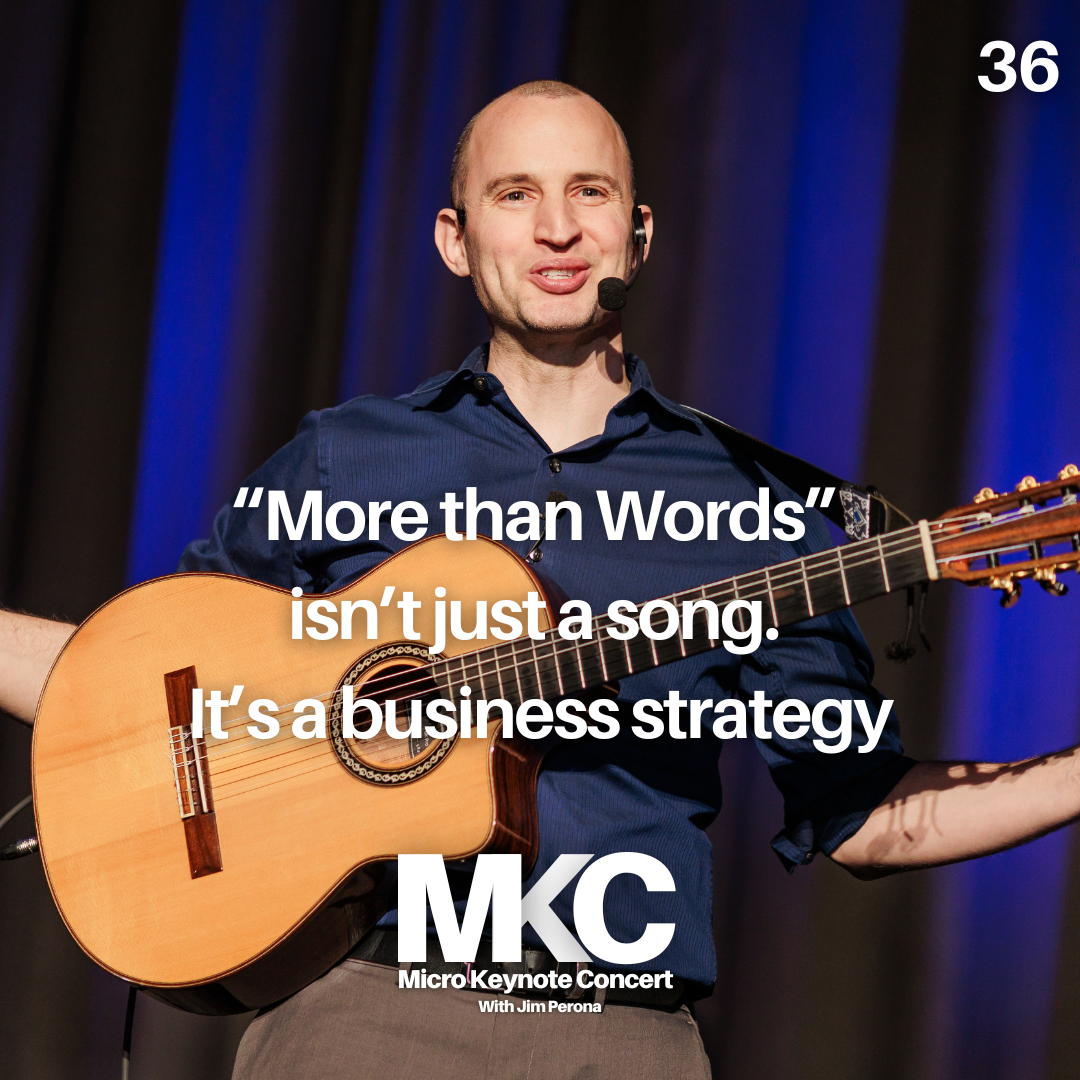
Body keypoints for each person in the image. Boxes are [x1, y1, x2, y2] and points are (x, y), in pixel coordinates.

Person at [3, 80, 1080, 1080]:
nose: (557, 228)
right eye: (515, 194)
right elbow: (140, 680)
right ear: (456, 239)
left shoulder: (758, 510)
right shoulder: (344, 459)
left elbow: (867, 818)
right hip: (358, 1013)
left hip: (618, 1028)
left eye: (589, 192)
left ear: (638, 234)